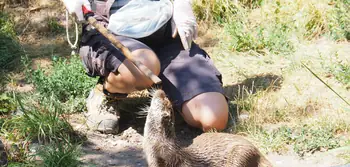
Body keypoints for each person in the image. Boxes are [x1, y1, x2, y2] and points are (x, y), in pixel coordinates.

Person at [62, 0, 229, 134]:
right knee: (143, 67)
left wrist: (182, 4)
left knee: (213, 119)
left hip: (166, 33)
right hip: (111, 32)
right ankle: (107, 93)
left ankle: (171, 92)